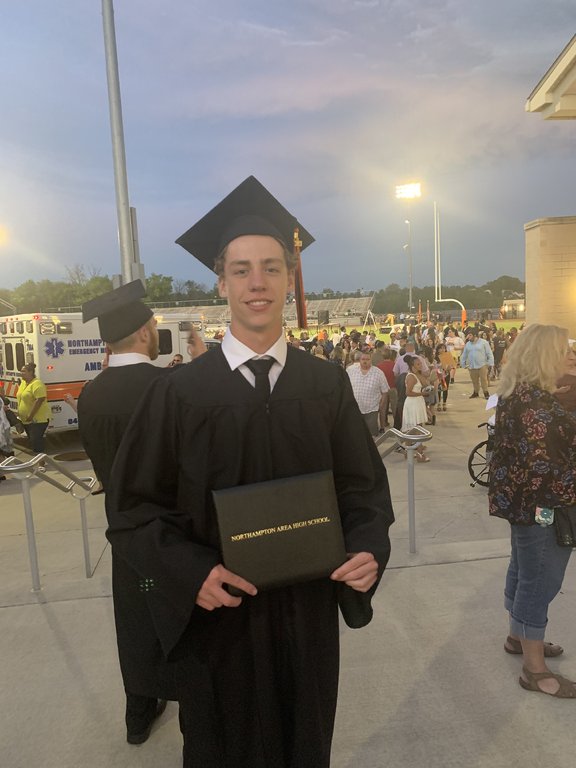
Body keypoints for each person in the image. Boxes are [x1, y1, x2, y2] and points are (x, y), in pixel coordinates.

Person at [106, 176, 394, 768]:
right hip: (219, 620)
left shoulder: (325, 385)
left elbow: (362, 489)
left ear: (290, 279)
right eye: (241, 270)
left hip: (307, 617)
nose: (256, 282)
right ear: (222, 283)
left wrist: (368, 547)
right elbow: (133, 508)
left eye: (270, 268)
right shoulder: (179, 394)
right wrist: (189, 574)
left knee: (305, 745)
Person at [77, 281, 168, 744]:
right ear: (145, 332)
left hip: (125, 532)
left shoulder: (90, 395)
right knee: (175, 615)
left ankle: (138, 714)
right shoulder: (166, 388)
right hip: (171, 531)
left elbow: (99, 463)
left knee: (134, 620)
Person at [489, 324, 576, 697]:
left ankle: (518, 637)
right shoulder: (539, 408)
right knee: (539, 579)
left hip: (522, 505)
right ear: (544, 356)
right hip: (545, 508)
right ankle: (534, 669)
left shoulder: (520, 393)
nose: (571, 355)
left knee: (524, 570)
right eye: (564, 350)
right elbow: (548, 468)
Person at [347, 349, 390, 435]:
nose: (365, 361)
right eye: (363, 359)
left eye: (367, 359)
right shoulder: (351, 371)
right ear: (359, 360)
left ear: (371, 360)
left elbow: (385, 391)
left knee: (371, 434)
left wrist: (381, 404)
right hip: (355, 408)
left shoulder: (378, 373)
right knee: (356, 433)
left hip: (372, 408)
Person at [16, 363, 51, 453]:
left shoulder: (37, 383)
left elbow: (39, 400)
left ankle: (41, 460)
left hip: (38, 420)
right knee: (33, 441)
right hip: (26, 420)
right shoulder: (23, 383)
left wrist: (30, 415)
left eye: (24, 371)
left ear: (31, 372)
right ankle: (38, 458)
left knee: (36, 441)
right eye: (21, 371)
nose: (21, 373)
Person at [401, 355, 430, 462]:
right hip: (413, 403)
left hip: (417, 402)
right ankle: (420, 454)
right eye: (418, 364)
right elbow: (408, 392)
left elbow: (425, 382)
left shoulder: (417, 375)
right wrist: (422, 393)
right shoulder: (411, 377)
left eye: (420, 363)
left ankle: (407, 451)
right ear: (412, 365)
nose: (420, 365)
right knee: (417, 430)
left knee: (413, 430)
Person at [459, 328, 494, 399]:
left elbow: (489, 353)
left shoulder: (484, 342)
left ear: (475, 335)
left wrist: (490, 363)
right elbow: (464, 354)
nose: (468, 337)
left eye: (470, 335)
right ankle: (476, 392)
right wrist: (463, 363)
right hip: (472, 365)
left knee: (483, 380)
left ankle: (486, 392)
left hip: (482, 365)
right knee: (474, 380)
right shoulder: (468, 344)